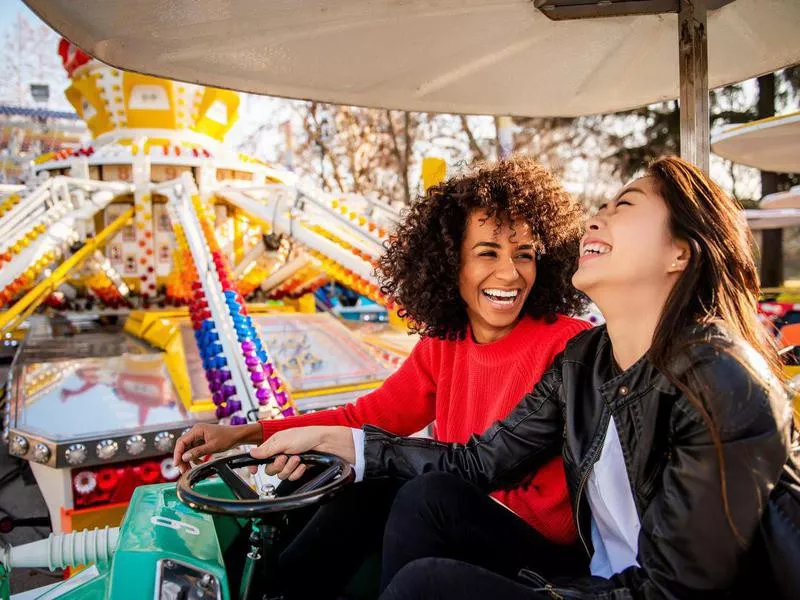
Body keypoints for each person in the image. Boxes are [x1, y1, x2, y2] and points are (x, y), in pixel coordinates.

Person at [255, 156, 793, 599]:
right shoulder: (585, 360)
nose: (595, 219)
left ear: (680, 251)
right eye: (599, 207)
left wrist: (551, 594)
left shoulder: (724, 382)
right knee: (425, 496)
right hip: (595, 580)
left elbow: (675, 590)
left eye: (623, 206)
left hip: (628, 592)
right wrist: (343, 445)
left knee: (428, 584)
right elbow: (477, 463)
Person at [174, 156, 590, 598]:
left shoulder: (570, 345)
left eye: (524, 255)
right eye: (487, 252)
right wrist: (244, 434)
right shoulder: (444, 344)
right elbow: (367, 418)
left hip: (541, 553)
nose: (509, 273)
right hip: (460, 515)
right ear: (451, 263)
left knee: (421, 495)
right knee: (360, 485)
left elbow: (482, 465)